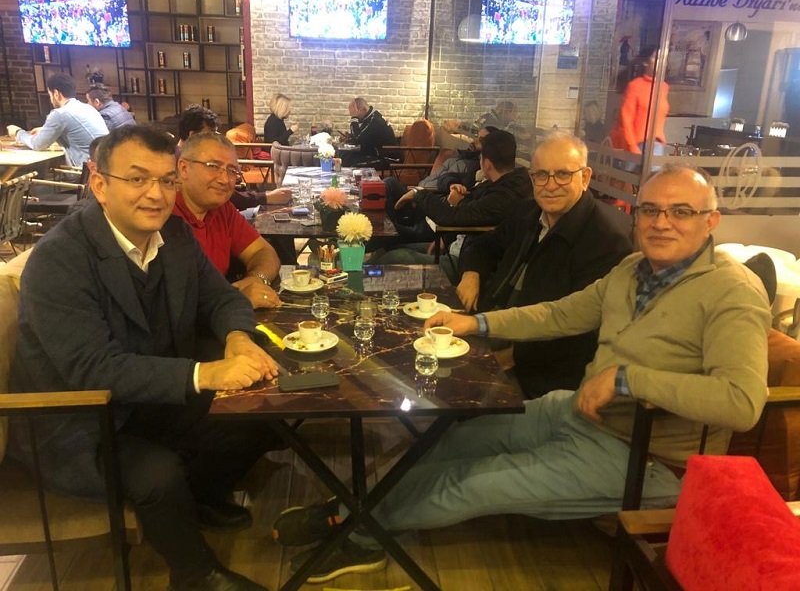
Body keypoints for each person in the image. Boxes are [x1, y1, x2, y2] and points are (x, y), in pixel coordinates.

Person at [272, 163, 771, 582]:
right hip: (577, 413)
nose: (662, 223)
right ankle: (357, 506)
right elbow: (558, 314)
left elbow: (742, 402)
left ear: (711, 221)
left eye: (681, 211)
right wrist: (476, 323)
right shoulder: (632, 269)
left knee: (474, 482)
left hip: (648, 457)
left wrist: (627, 379)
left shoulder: (732, 291)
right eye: (651, 210)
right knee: (448, 441)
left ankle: (359, 532)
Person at [9, 125, 279, 591]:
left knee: (262, 411)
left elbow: (220, 298)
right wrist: (207, 373)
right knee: (157, 472)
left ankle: (200, 499)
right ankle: (196, 575)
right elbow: (93, 368)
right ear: (100, 184)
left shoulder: (172, 234)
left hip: (147, 399)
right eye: (137, 179)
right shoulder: (60, 260)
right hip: (82, 422)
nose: (156, 194)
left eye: (166, 180)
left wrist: (238, 338)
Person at [457, 132, 632, 398]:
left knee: (449, 396)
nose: (550, 185)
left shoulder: (606, 240)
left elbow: (578, 331)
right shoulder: (527, 212)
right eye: (541, 175)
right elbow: (483, 246)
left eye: (562, 174)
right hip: (491, 326)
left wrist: (507, 357)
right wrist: (472, 274)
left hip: (539, 373)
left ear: (585, 178)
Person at [375, 129, 532, 278]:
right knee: (387, 249)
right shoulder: (497, 185)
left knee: (392, 257)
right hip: (453, 243)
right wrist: (447, 238)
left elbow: (455, 217)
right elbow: (469, 212)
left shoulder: (504, 196)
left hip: (467, 264)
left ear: (487, 163)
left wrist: (418, 194)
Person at [174, 132, 282, 309]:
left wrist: (256, 279)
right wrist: (235, 300)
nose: (225, 179)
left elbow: (264, 252)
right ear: (184, 168)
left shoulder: (223, 209)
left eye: (232, 171)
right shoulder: (162, 215)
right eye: (213, 166)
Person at [6, 73, 108, 166]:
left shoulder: (60, 114)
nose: (51, 99)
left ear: (56, 94)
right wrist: (44, 130)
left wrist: (18, 132)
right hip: (103, 166)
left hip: (85, 172)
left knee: (34, 173)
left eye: (50, 95)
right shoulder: (87, 108)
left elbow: (37, 144)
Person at [610, 46, 670, 156]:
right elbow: (626, 118)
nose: (661, 61)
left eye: (664, 58)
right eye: (656, 57)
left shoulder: (663, 87)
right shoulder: (635, 86)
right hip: (638, 144)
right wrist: (632, 146)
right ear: (646, 62)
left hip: (657, 143)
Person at [343, 97, 395, 167]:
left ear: (363, 109)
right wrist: (350, 137)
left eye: (354, 113)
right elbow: (362, 138)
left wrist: (354, 118)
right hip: (373, 153)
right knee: (345, 156)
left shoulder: (375, 120)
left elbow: (358, 139)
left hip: (386, 158)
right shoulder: (369, 118)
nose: (356, 117)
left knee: (352, 163)